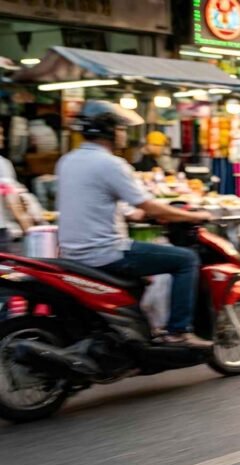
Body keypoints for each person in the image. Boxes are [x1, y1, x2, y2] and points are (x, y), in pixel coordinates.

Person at [57, 101, 213, 347]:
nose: (123, 134)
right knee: (186, 260)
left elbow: (107, 204)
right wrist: (195, 216)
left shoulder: (67, 161)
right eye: (120, 128)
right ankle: (179, 331)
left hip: (72, 254)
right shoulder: (110, 163)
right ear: (108, 130)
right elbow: (147, 205)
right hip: (106, 253)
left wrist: (140, 214)